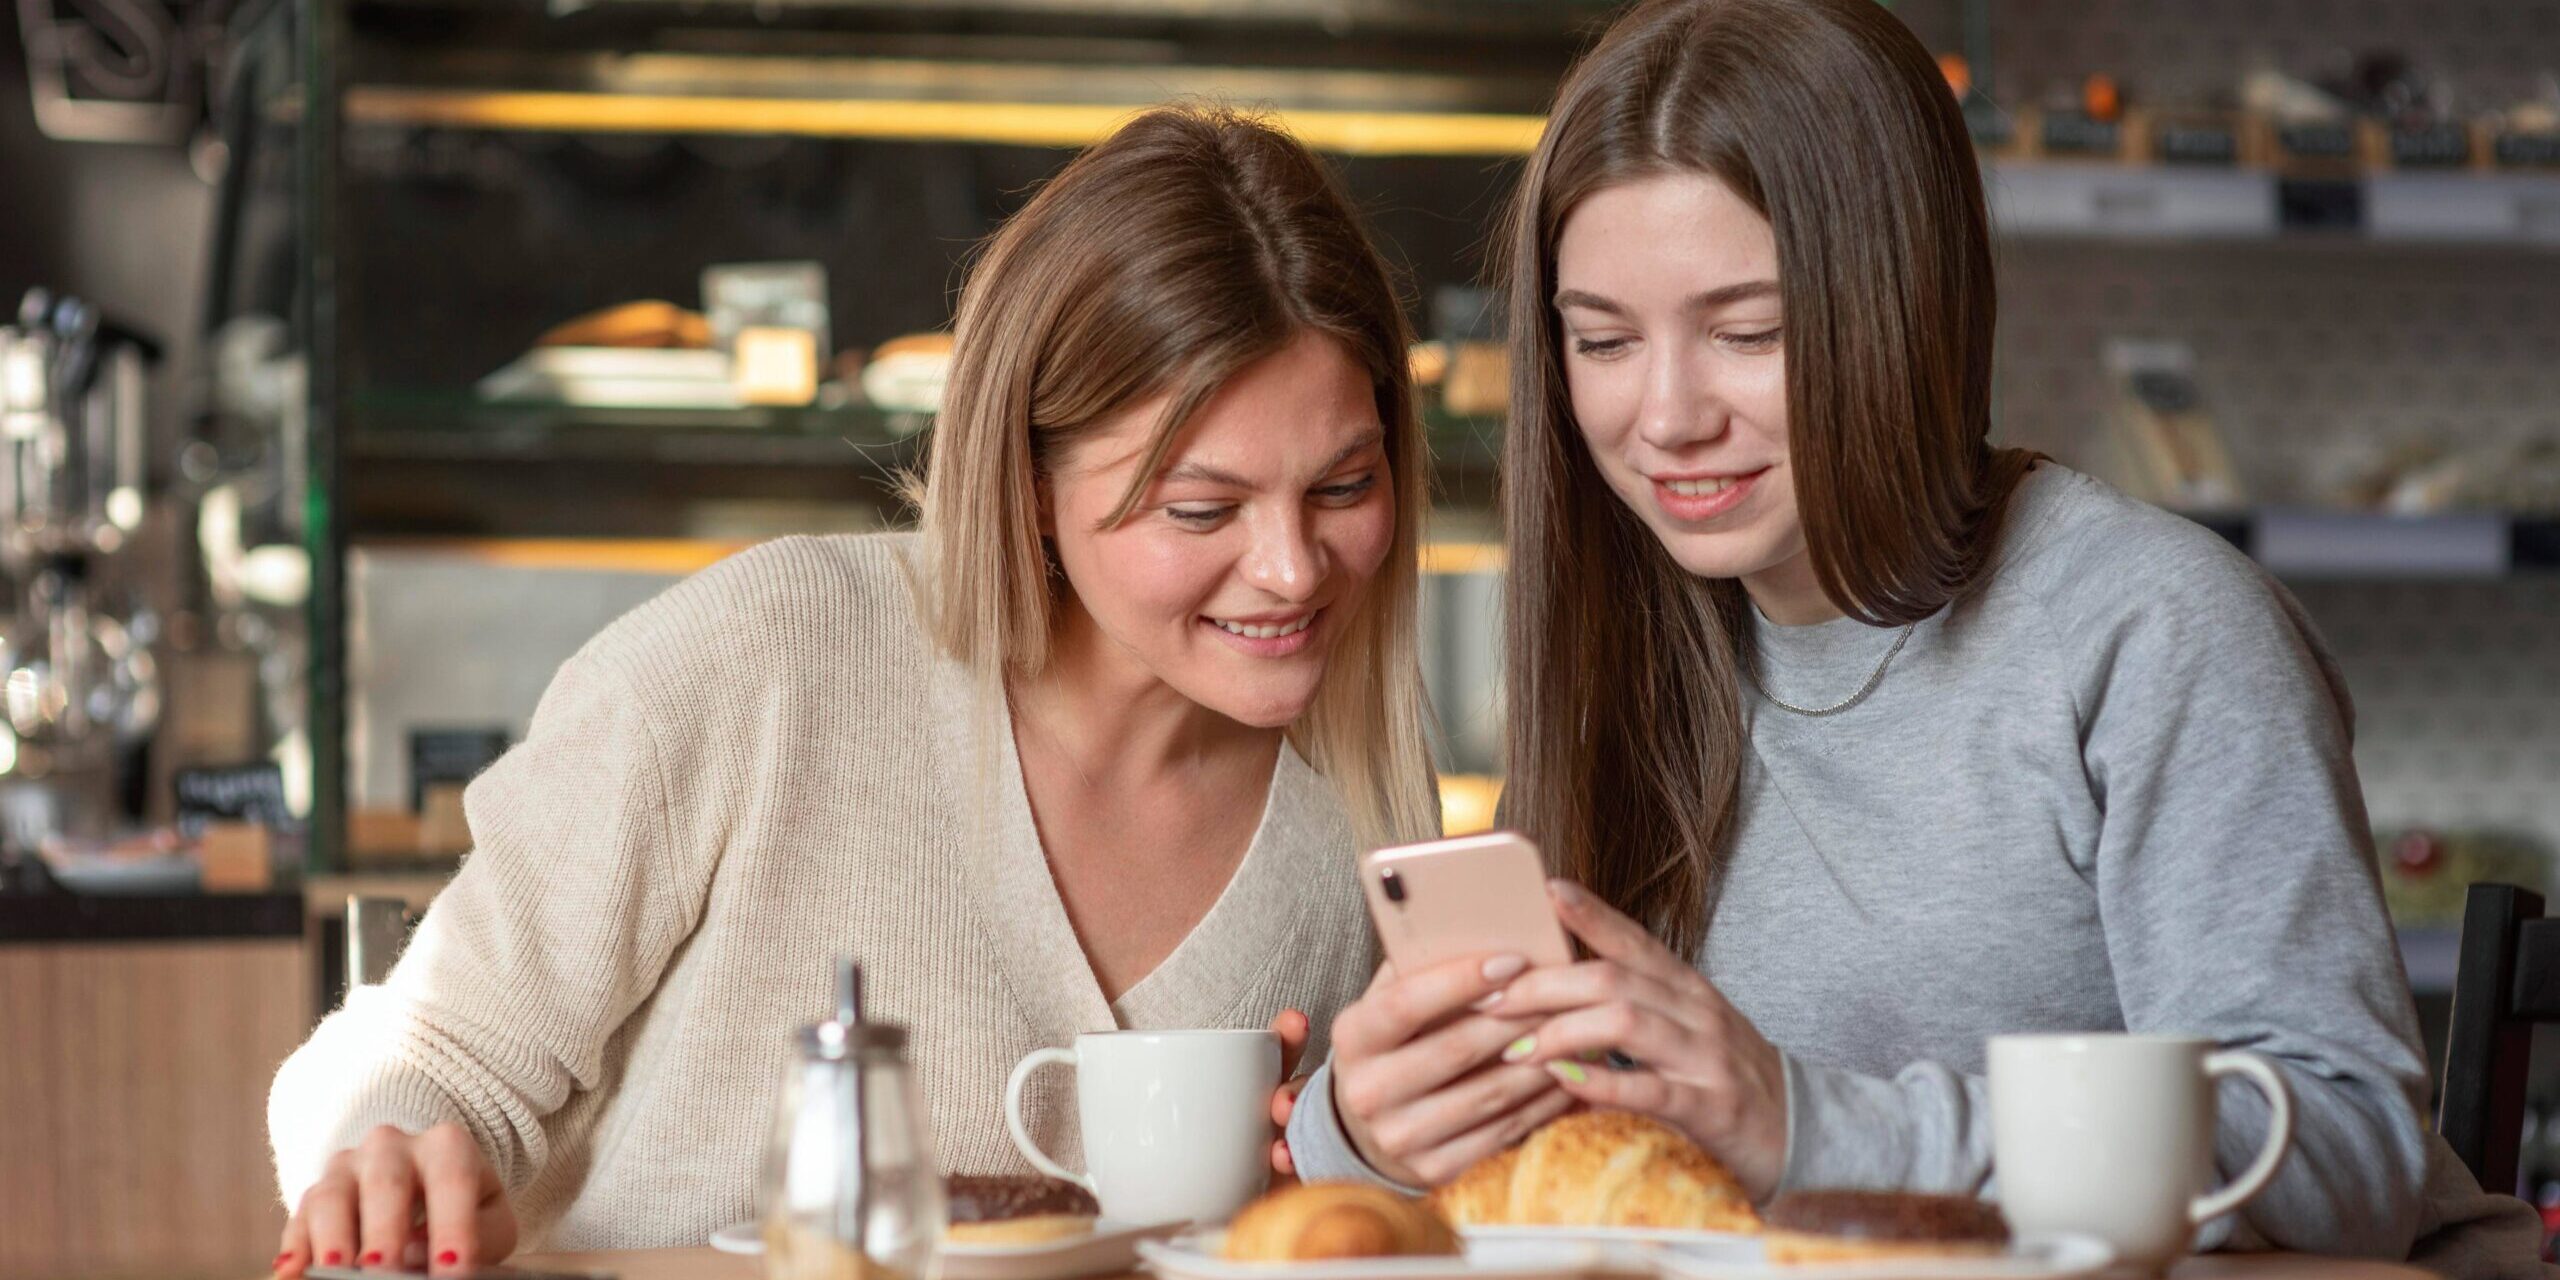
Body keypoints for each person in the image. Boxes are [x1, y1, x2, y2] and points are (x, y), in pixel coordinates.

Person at [1281, 3, 2549, 1274]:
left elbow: (2346, 1155)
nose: (1663, 415)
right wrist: (1371, 1130)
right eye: (1601, 339)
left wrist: (1801, 1119)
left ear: (1901, 308)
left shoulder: (2147, 630)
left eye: (1749, 332)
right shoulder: (1631, 647)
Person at [270, 103, 1440, 1274]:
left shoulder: (1360, 809)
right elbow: (439, 1053)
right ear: (1030, 482)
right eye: (1202, 508)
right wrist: (387, 1159)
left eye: (1343, 485)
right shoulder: (771, 655)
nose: (1293, 568)